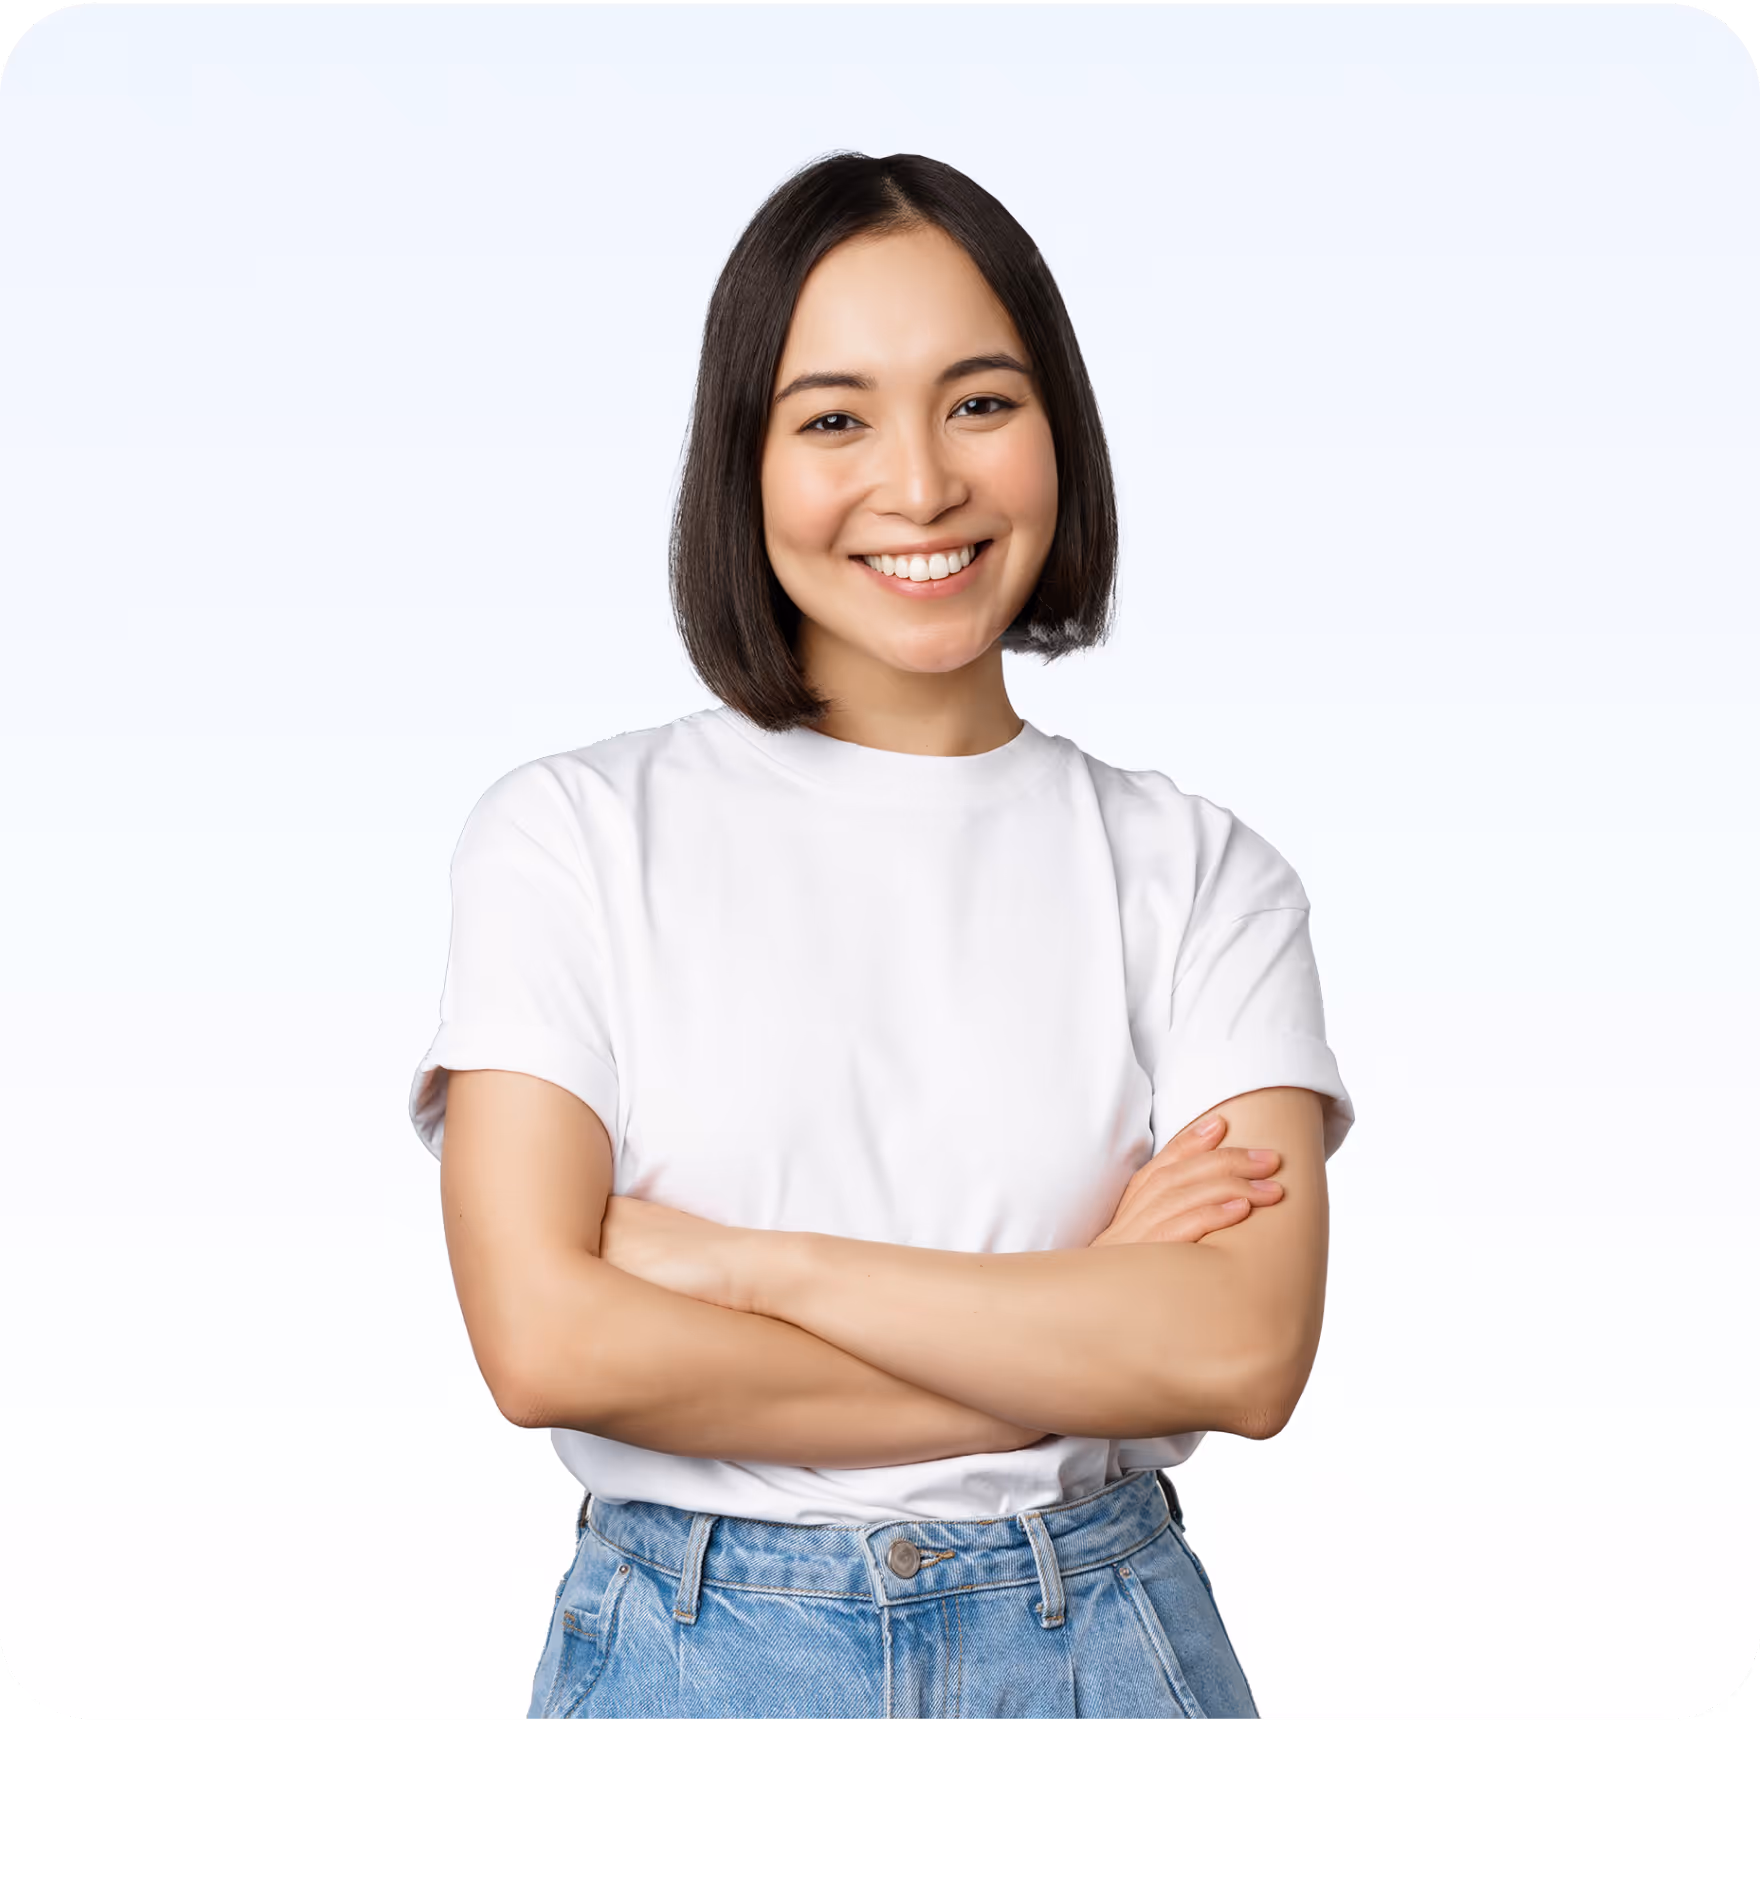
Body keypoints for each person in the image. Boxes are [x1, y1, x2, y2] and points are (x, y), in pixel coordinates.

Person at [410, 152, 1353, 1719]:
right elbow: (548, 1343)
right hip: (697, 1651)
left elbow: (1240, 1353)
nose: (920, 486)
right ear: (745, 461)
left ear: (1061, 431)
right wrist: (1073, 1321)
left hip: (1096, 1643)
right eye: (835, 418)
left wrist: (739, 1268)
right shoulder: (571, 833)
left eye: (980, 402)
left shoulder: (1198, 872)